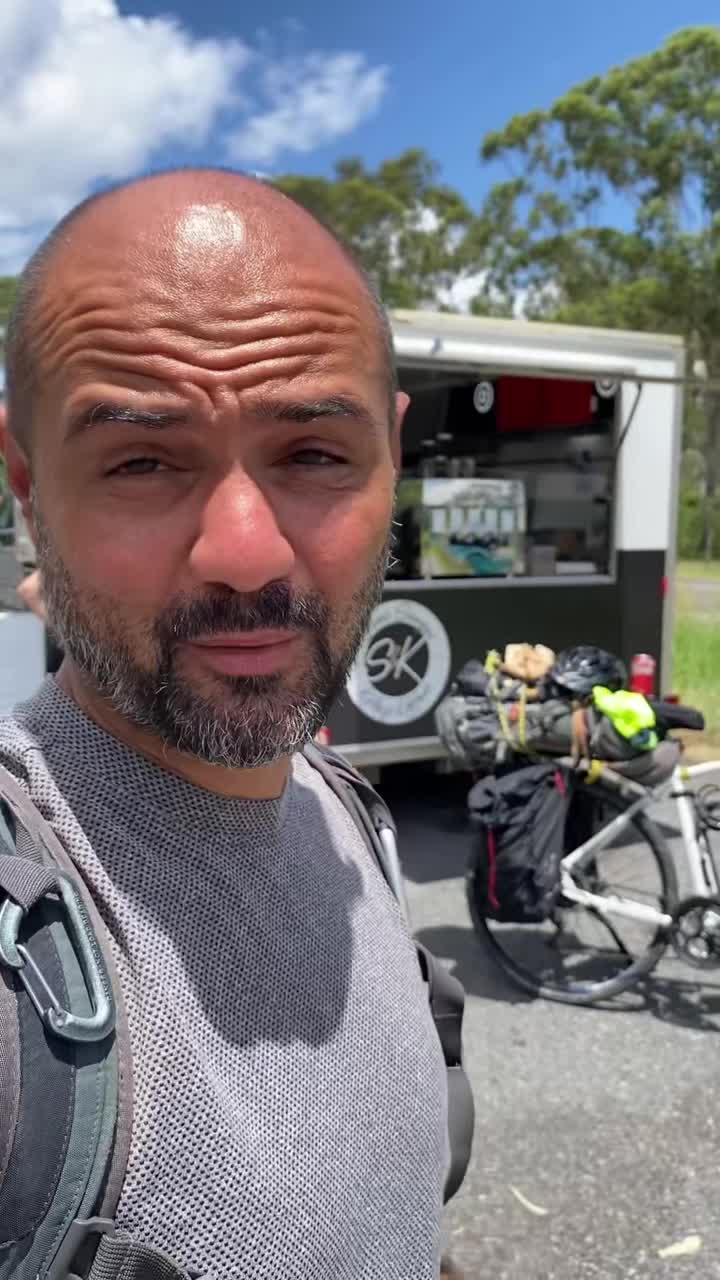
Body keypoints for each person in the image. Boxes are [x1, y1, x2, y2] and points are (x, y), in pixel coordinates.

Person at [0, 170, 465, 1279]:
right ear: (25, 478)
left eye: (314, 454)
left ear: (392, 458)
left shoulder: (348, 815)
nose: (247, 554)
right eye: (142, 461)